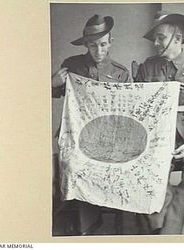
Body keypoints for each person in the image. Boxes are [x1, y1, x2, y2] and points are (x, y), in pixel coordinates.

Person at [52, 14, 131, 235]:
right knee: (72, 165)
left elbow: (128, 110)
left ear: (111, 42)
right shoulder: (72, 66)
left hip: (108, 138)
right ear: (86, 44)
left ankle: (103, 220)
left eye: (103, 44)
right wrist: (52, 83)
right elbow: (51, 93)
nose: (98, 50)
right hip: (75, 136)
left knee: (114, 166)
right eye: (93, 45)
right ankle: (82, 223)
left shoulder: (121, 72)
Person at [135, 11, 184, 234]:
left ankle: (174, 235)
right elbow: (139, 105)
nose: (156, 43)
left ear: (177, 38)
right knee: (147, 168)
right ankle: (160, 223)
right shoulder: (148, 67)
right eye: (156, 38)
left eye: (161, 37)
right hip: (158, 132)